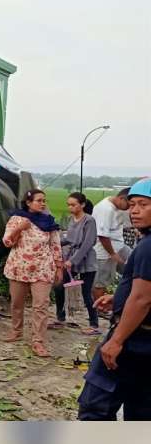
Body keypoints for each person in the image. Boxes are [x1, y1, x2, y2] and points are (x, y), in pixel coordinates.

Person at [78, 178, 151, 421]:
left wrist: (117, 340)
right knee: (140, 410)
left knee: (95, 407)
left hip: (132, 340)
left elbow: (143, 299)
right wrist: (119, 297)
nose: (135, 211)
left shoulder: (148, 247)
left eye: (143, 204)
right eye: (131, 205)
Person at [2, 189, 63, 357]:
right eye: (39, 200)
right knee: (16, 302)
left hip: (43, 268)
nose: (43, 204)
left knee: (41, 305)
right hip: (19, 267)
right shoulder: (17, 219)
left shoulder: (49, 222)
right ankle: (16, 330)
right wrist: (19, 228)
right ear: (28, 203)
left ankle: (38, 341)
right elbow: (7, 242)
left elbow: (55, 246)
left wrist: (59, 267)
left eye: (44, 200)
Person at [51, 192, 100, 335]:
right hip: (70, 257)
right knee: (59, 285)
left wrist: (73, 261)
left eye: (73, 204)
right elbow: (69, 239)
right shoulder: (71, 219)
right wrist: (54, 244)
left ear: (82, 205)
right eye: (69, 205)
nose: (70, 207)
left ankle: (94, 324)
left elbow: (87, 243)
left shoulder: (89, 220)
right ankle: (60, 318)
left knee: (86, 292)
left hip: (85, 259)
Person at [92, 189, 131, 304]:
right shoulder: (105, 209)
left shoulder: (117, 207)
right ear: (121, 199)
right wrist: (112, 254)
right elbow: (103, 236)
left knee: (134, 269)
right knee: (101, 281)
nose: (128, 208)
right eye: (128, 204)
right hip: (104, 251)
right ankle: (100, 307)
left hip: (120, 245)